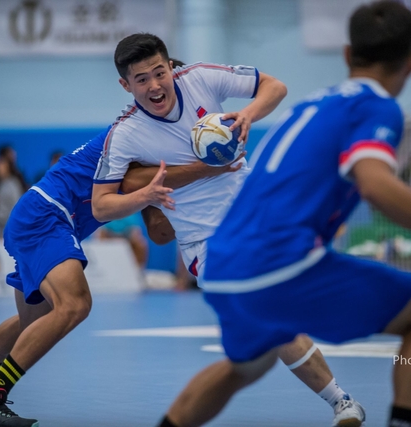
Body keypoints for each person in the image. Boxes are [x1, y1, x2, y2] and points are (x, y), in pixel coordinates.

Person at [155, 3, 411, 427]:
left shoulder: (312, 104)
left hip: (222, 264)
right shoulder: (376, 106)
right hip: (279, 262)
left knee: (246, 366)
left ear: (347, 54)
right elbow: (376, 185)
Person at [92, 33, 365, 426]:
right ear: (126, 85)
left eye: (159, 72)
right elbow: (101, 205)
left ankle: (342, 399)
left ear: (171, 67)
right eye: (141, 79)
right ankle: (341, 402)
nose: (154, 85)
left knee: (277, 317)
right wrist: (146, 195)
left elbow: (275, 86)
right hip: (206, 245)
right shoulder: (125, 134)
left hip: (254, 218)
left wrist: (249, 113)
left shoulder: (201, 78)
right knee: (268, 316)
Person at [0, 129, 248, 426]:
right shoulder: (138, 135)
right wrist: (207, 170)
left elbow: (159, 233)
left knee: (35, 321)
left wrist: (194, 206)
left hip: (45, 217)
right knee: (74, 304)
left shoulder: (159, 159)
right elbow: (131, 183)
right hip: (47, 215)